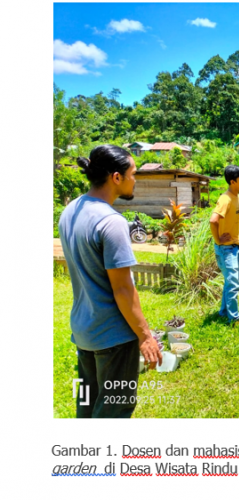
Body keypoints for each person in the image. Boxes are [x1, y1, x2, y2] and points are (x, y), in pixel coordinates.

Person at [58, 145, 162, 418]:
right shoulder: (111, 221)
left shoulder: (70, 210)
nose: (135, 180)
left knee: (86, 404)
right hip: (113, 338)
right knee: (114, 410)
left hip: (84, 332)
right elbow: (123, 288)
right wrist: (145, 336)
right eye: (133, 173)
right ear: (116, 177)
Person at [210, 165, 239, 324]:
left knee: (230, 282)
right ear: (232, 182)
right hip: (226, 249)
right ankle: (234, 318)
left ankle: (224, 312)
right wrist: (218, 240)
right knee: (233, 284)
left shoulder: (237, 196)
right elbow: (213, 220)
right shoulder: (225, 199)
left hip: (235, 246)